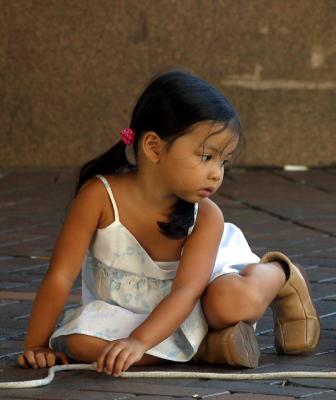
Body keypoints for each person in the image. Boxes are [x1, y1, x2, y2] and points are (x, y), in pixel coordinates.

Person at [18, 70, 320, 377]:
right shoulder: (99, 197)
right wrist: (37, 344)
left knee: (228, 305)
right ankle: (209, 348)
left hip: (202, 290)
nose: (217, 173)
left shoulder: (206, 215)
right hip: (138, 309)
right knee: (79, 343)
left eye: (223, 161)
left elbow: (186, 293)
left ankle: (282, 274)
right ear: (153, 147)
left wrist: (138, 342)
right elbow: (59, 276)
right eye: (206, 157)